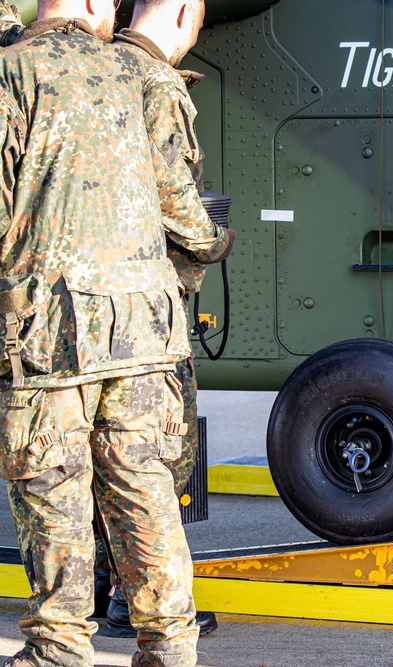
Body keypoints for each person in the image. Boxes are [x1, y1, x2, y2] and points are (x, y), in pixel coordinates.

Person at [0, 1, 228, 665]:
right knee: (146, 496)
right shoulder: (139, 75)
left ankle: (61, 647)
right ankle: (171, 649)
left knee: (55, 498)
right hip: (143, 341)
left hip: (49, 342)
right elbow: (180, 211)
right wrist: (213, 242)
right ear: (98, 4)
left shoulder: (13, 74)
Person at [100, 0, 223, 639]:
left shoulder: (90, 68)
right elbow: (177, 205)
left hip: (95, 310)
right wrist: (215, 240)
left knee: (99, 452)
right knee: (157, 456)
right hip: (150, 307)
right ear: (180, 13)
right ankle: (134, 600)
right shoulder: (155, 83)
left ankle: (99, 589)